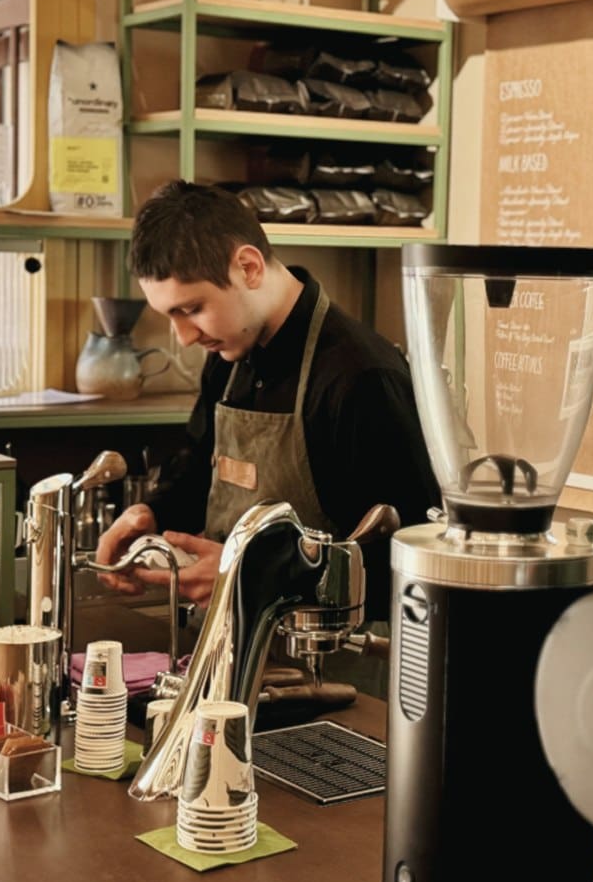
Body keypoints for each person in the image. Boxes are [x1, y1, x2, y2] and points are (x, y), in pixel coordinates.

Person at [95, 180, 439, 621]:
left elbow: (408, 563)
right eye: (170, 316)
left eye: (192, 308)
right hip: (233, 647)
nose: (183, 338)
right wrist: (151, 513)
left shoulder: (361, 378)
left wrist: (246, 572)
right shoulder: (228, 352)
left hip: (334, 667)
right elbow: (204, 466)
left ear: (249, 267)